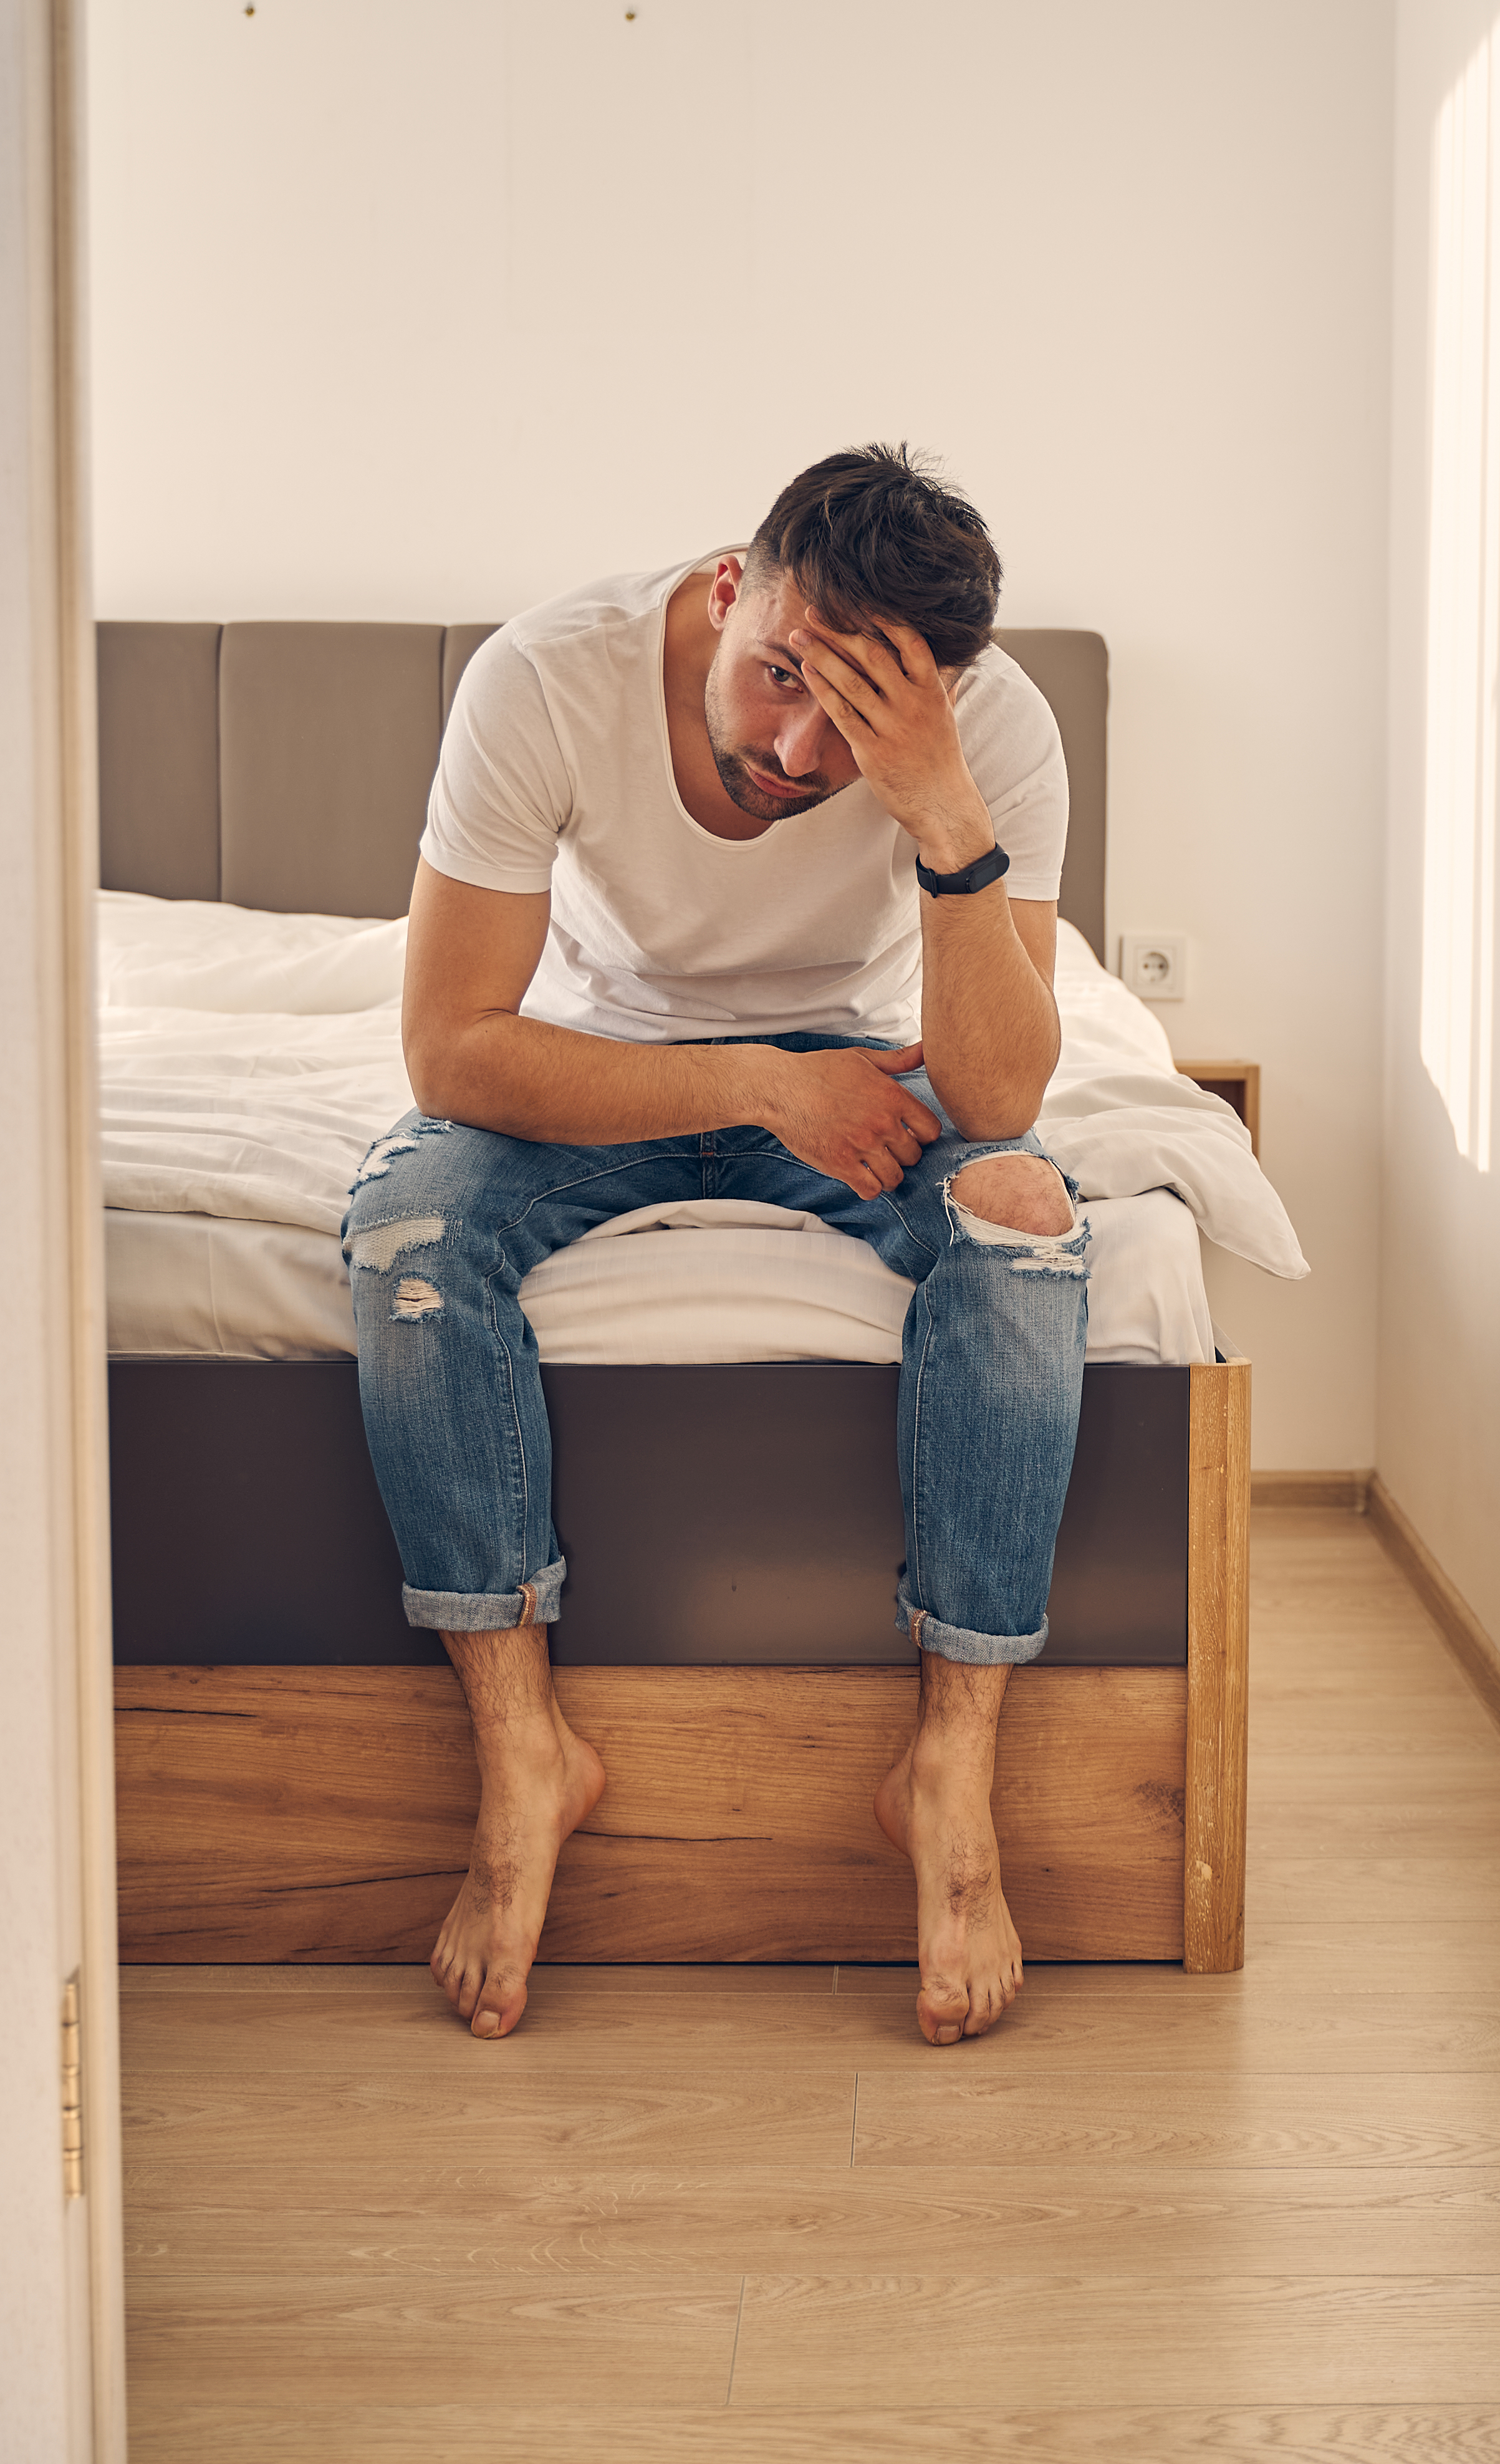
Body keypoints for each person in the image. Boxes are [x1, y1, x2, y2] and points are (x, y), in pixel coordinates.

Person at [343, 445, 1086, 2049]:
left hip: (869, 1064)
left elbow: (1005, 1096)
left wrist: (943, 811)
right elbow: (451, 1050)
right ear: (731, 584)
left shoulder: (996, 732)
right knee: (410, 1227)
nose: (798, 754)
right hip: (596, 1062)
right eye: (777, 682)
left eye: (860, 725)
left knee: (1023, 1211)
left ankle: (949, 1765)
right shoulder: (549, 675)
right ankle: (523, 1747)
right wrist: (758, 1086)